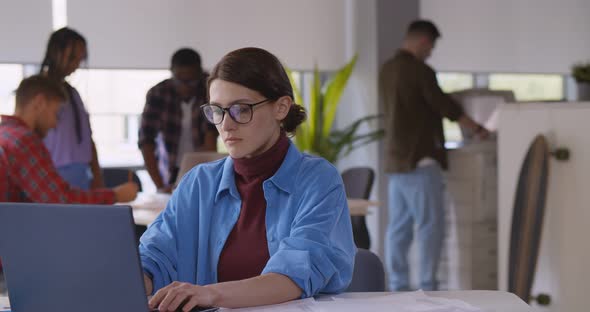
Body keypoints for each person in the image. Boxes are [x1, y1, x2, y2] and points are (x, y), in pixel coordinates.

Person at [140, 47, 355, 311]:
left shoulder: (318, 180)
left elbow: (294, 275)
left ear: (281, 107)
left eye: (241, 110)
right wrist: (138, 279)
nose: (225, 125)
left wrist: (209, 295)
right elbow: (155, 255)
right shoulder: (198, 183)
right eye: (216, 111)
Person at [379, 20, 489, 291]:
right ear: (424, 42)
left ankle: (397, 286)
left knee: (399, 228)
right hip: (420, 160)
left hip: (396, 160)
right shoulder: (420, 70)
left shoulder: (387, 70)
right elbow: (444, 106)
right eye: (431, 48)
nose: (430, 53)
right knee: (431, 227)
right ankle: (428, 287)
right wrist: (477, 128)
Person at [0, 75, 138, 204]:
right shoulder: (25, 140)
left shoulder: (5, 134)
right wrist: (116, 195)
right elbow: (60, 200)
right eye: (56, 113)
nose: (55, 124)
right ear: (39, 102)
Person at [139, 48, 219, 193]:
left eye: (191, 81)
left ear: (200, 73)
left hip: (202, 167)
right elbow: (146, 141)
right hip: (169, 169)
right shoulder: (158, 93)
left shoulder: (210, 90)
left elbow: (210, 141)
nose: (185, 86)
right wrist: (160, 186)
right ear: (172, 72)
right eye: (180, 80)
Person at [40, 27, 104, 190]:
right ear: (55, 53)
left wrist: (97, 176)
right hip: (52, 175)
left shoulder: (73, 93)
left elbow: (88, 138)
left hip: (82, 175)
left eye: (80, 59)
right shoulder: (39, 91)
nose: (76, 65)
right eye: (72, 57)